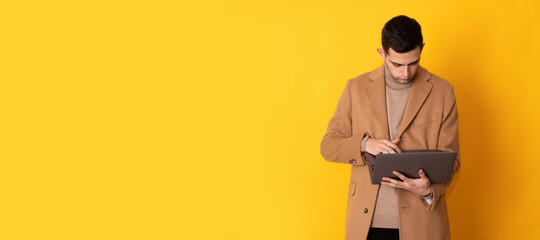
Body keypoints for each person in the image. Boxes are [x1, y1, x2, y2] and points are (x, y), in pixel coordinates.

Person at [320, 15, 460, 240]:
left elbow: (452, 160)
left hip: (422, 224)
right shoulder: (356, 88)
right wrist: (366, 144)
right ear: (382, 53)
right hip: (366, 224)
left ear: (422, 49)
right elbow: (328, 145)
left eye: (413, 63)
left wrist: (427, 190)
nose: (406, 73)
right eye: (397, 64)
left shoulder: (443, 92)